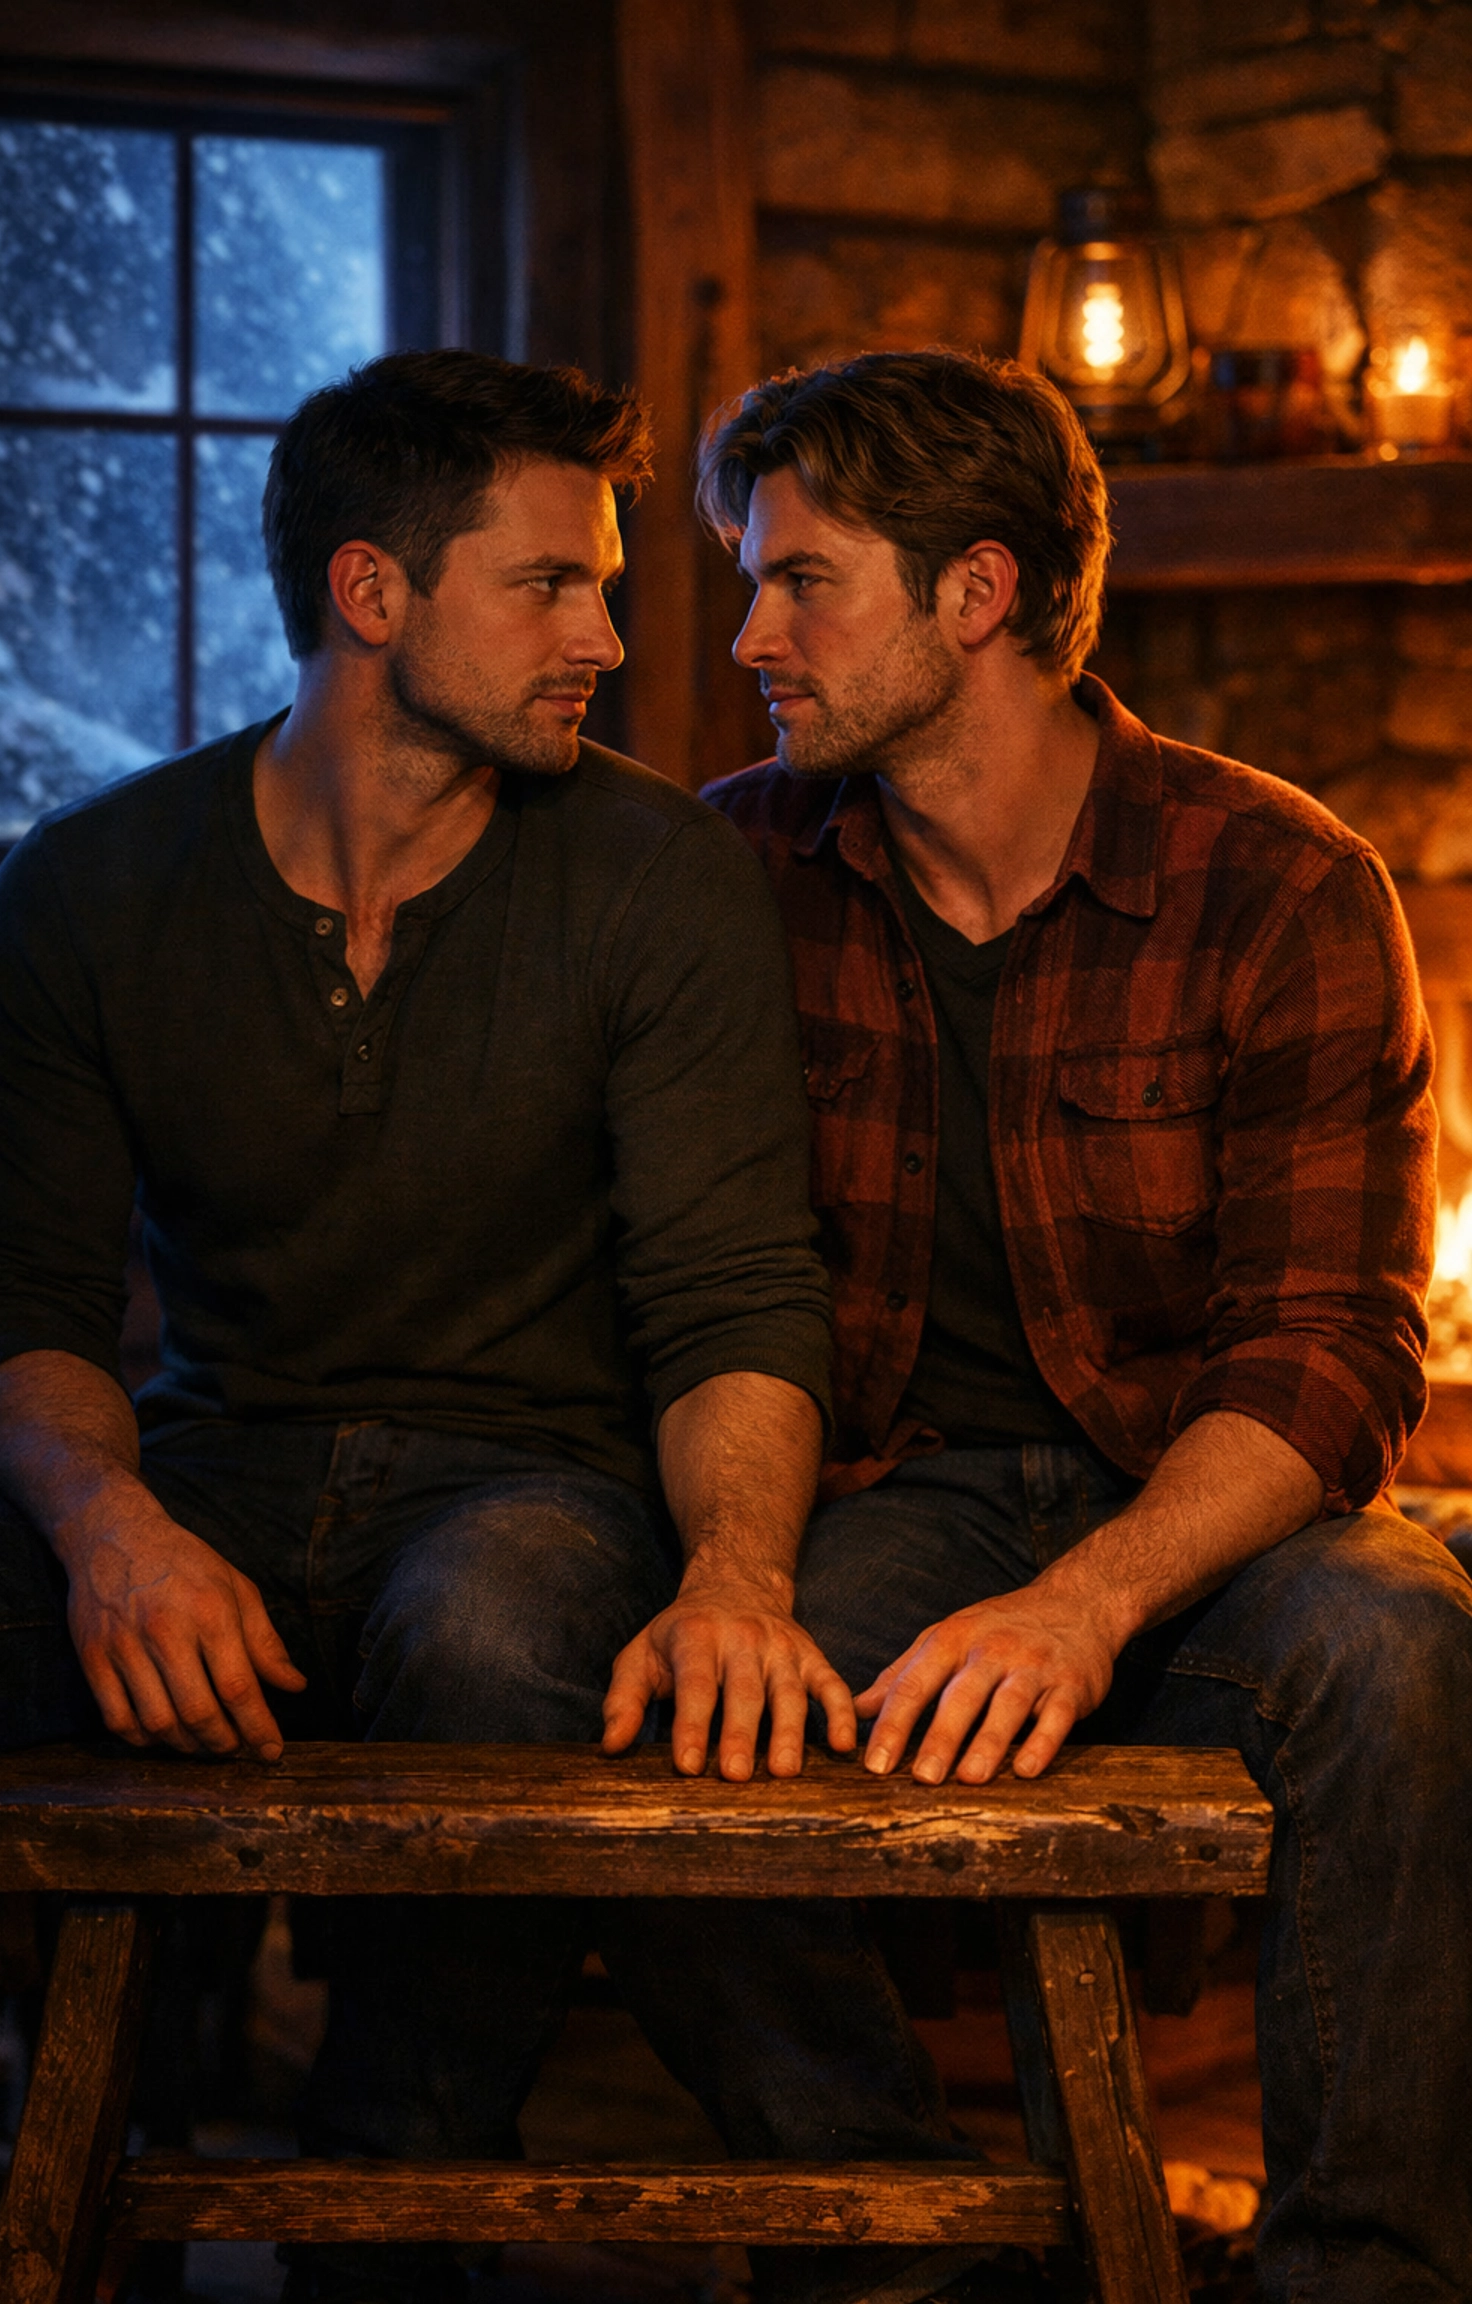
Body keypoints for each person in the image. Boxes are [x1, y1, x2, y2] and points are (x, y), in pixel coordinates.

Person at [0, 347, 877, 2304]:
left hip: (523, 1476)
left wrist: (736, 1568)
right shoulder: (92, 886)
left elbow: (730, 1295)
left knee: (497, 1632)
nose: (609, 636)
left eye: (603, 585)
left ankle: (395, 2196)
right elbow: (10, 1304)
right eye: (552, 584)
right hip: (205, 1458)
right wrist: (110, 1532)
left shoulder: (657, 877)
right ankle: (62, 2142)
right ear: (372, 595)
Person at [698, 349, 1472, 2304]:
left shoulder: (1283, 883)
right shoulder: (728, 872)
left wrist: (1089, 1600)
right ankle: (906, 2241)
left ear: (978, 595)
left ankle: (1352, 2276)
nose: (748, 632)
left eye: (804, 582)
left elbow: (1334, 1346)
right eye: (753, 579)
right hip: (882, 1494)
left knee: (1406, 1642)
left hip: (1202, 1506)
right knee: (661, 1704)